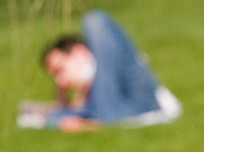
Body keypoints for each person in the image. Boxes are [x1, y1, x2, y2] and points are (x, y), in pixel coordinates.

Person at [17, 9, 182, 132]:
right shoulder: (93, 99)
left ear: (79, 51)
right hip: (110, 112)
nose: (60, 81)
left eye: (60, 70)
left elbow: (98, 23)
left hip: (135, 106)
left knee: (93, 20)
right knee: (50, 117)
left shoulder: (111, 73)